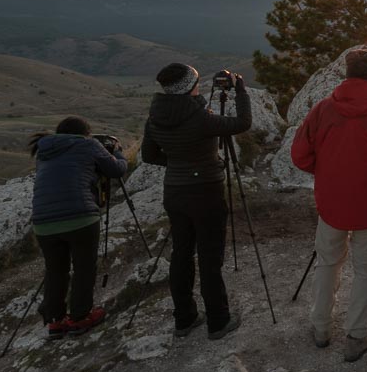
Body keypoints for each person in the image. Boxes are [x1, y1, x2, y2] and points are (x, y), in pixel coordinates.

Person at [291, 48, 367, 362]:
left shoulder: (323, 109)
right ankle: (357, 335)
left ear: (347, 74)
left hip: (332, 203)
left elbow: (299, 155)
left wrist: (327, 172)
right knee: (365, 270)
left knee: (328, 262)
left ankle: (321, 328)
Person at [141, 63, 251, 340]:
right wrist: (241, 91)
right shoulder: (200, 118)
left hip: (175, 192)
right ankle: (218, 320)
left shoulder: (154, 118)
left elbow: (149, 155)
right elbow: (242, 123)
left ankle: (185, 318)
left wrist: (179, 163)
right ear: (189, 87)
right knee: (209, 257)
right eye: (196, 81)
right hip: (205, 191)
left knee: (181, 253)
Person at [29, 116, 127, 340]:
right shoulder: (88, 144)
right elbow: (115, 170)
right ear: (85, 133)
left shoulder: (44, 150)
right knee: (83, 267)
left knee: (55, 270)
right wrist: (118, 152)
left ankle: (55, 321)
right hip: (79, 217)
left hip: (43, 222)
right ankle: (80, 316)